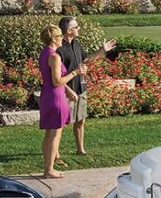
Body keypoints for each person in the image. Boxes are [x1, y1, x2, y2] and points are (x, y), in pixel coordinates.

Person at [57, 16, 116, 157]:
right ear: (69, 30)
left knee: (80, 120)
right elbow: (56, 76)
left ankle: (80, 150)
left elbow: (86, 60)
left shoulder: (76, 44)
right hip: (66, 91)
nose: (79, 29)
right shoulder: (59, 49)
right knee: (60, 125)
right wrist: (68, 90)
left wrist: (102, 50)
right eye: (76, 27)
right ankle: (55, 153)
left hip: (80, 88)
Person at [39, 25, 85, 179]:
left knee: (49, 134)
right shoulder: (55, 57)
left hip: (47, 95)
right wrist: (75, 73)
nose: (61, 38)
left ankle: (47, 167)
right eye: (59, 36)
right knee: (55, 135)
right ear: (54, 39)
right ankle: (49, 170)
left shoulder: (44, 53)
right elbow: (57, 81)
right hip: (56, 96)